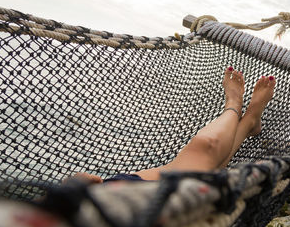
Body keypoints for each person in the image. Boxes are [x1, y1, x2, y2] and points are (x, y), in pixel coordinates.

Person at [65, 67, 276, 184]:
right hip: (139, 213)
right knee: (206, 146)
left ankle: (249, 121)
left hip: (118, 195)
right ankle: (235, 105)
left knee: (198, 172)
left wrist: (70, 191)